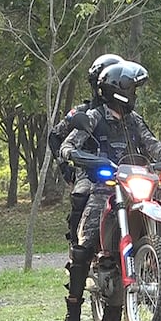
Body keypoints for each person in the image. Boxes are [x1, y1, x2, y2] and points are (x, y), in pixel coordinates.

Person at [57, 60, 161, 321]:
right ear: (118, 90)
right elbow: (68, 144)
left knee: (160, 236)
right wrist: (76, 155)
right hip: (103, 185)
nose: (134, 94)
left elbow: (154, 147)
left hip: (134, 183)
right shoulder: (93, 117)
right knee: (83, 244)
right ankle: (72, 313)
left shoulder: (134, 120)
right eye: (131, 89)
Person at [48, 54, 124, 246]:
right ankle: (78, 249)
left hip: (123, 171)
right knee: (81, 195)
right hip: (89, 171)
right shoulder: (83, 112)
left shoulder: (127, 116)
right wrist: (66, 166)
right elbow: (55, 136)